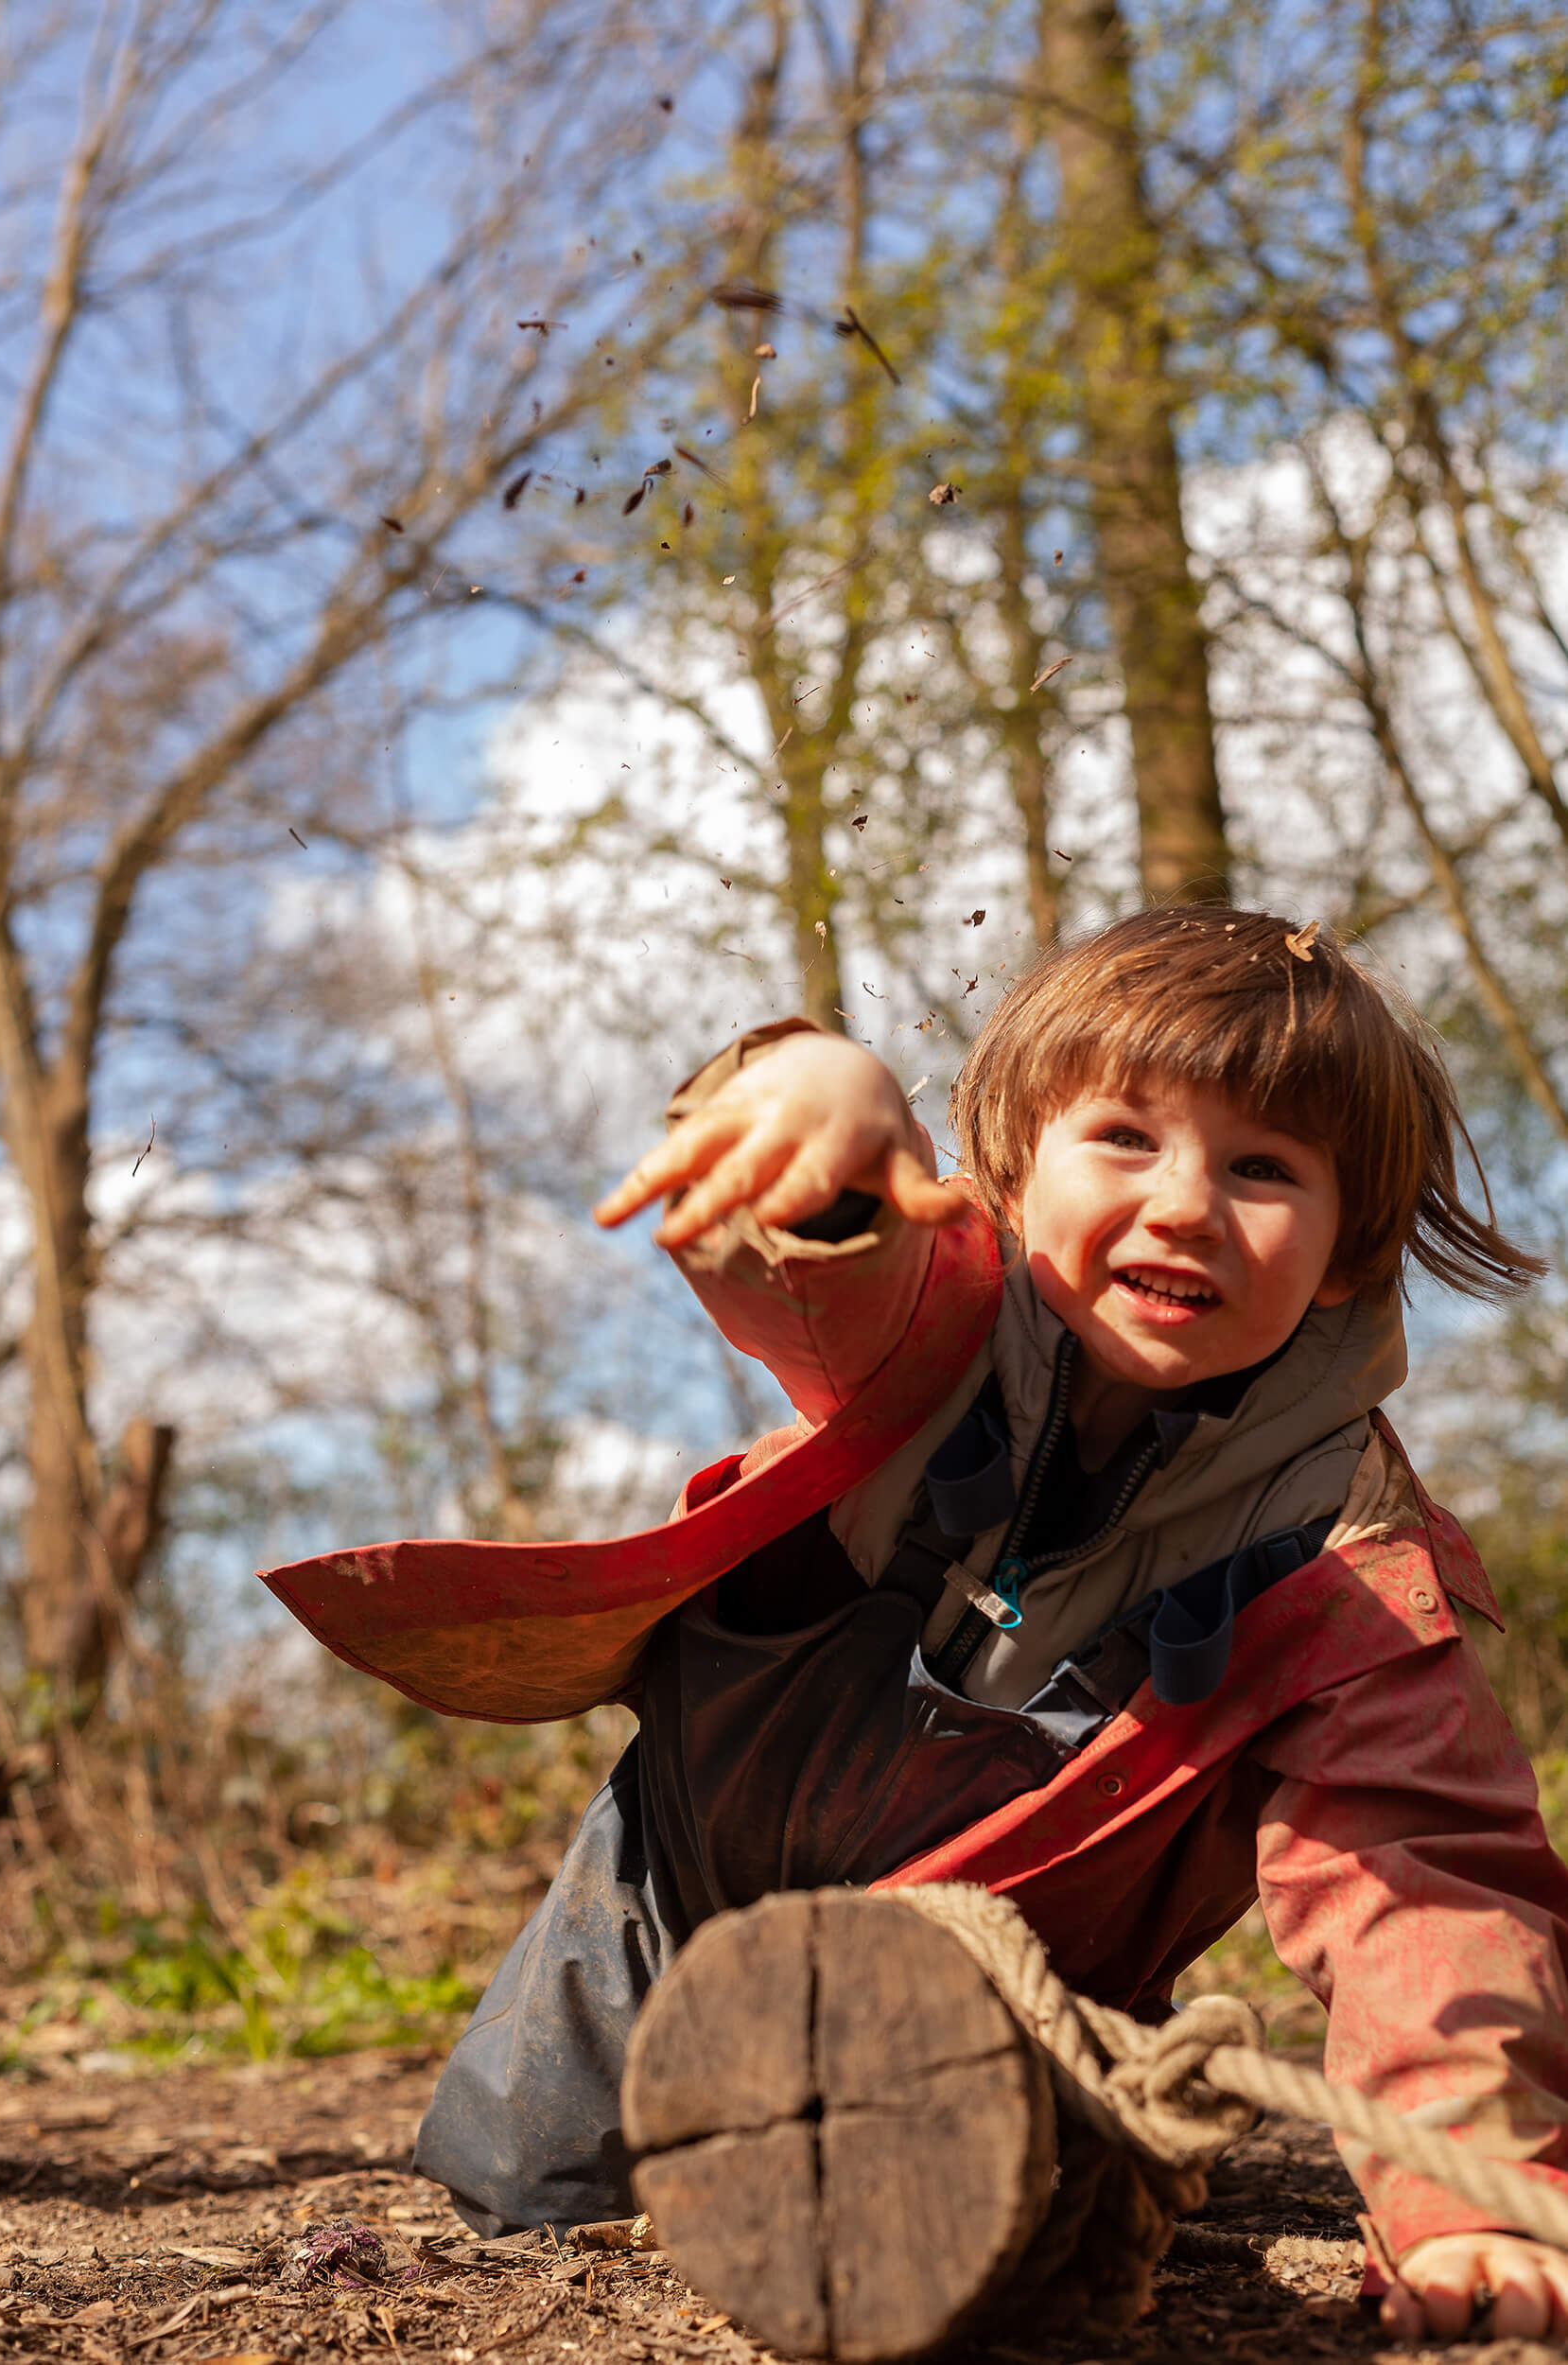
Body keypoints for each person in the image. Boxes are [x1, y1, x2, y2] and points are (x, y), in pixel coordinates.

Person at [412, 906, 1568, 2342]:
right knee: (515, 2230)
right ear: (1014, 1170)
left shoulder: (1343, 1567)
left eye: (1263, 1168)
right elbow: (812, 1267)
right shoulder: (927, 1329)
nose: (1189, 1205)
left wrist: (1477, 2205)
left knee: (930, 2293)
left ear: (1345, 1254)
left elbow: (1424, 1896)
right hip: (670, 1910)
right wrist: (809, 1104)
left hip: (1011, 2025)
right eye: (1127, 1141)